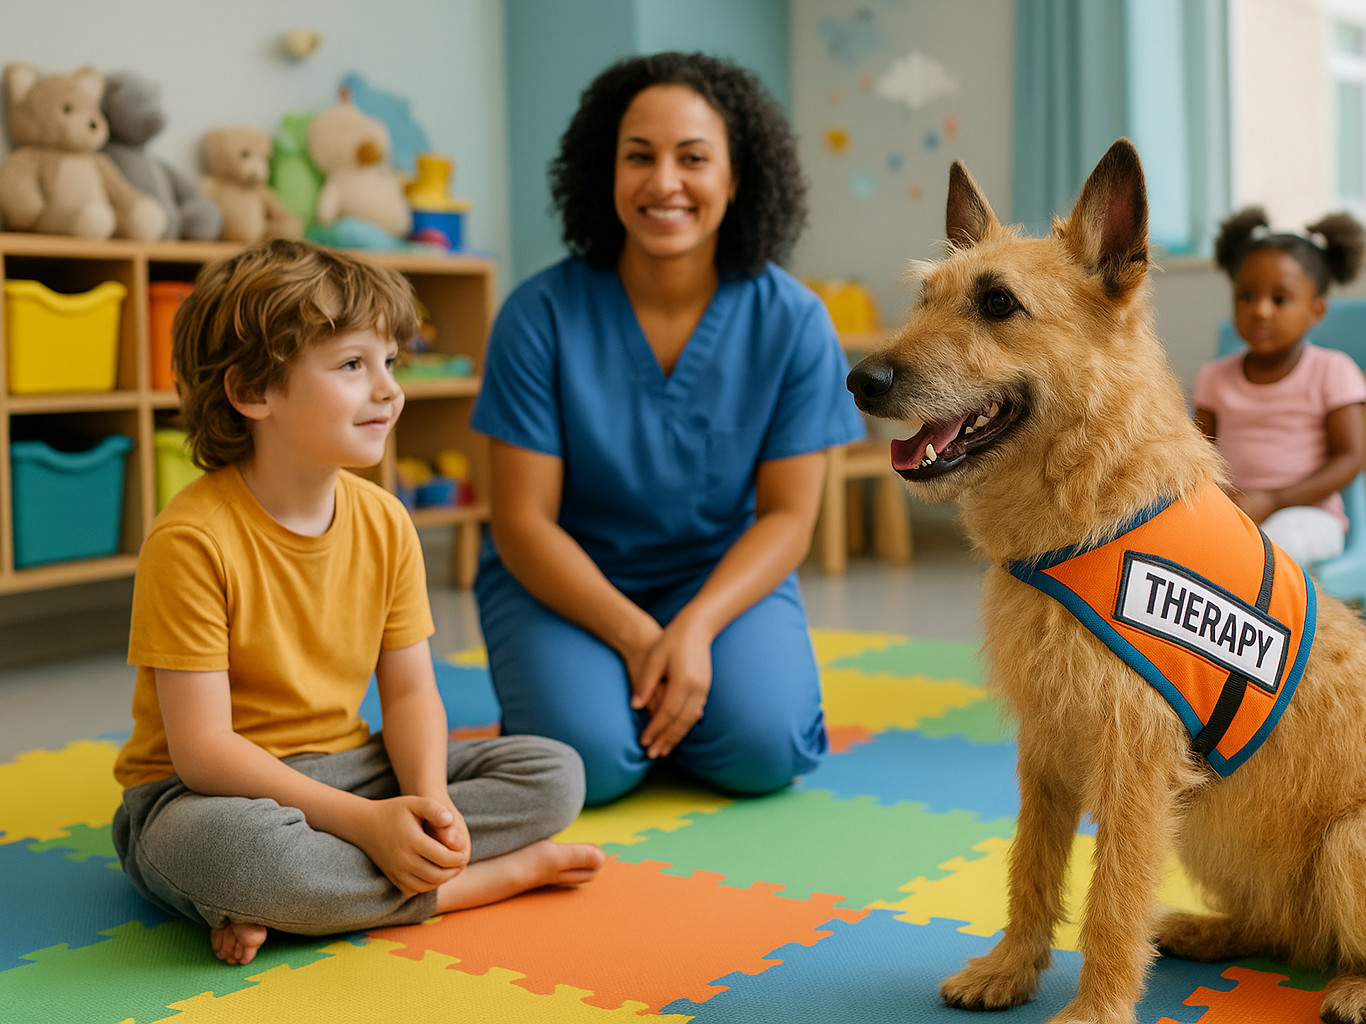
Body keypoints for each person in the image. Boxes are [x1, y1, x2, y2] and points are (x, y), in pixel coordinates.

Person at [111, 239, 603, 968]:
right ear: (253, 392)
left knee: (555, 771)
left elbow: (409, 692)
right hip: (203, 796)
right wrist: (368, 826)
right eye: (352, 366)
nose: (388, 390)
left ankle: (310, 901)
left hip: (348, 766)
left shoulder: (384, 520)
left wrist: (428, 805)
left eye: (390, 363)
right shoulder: (190, 539)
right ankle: (476, 883)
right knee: (241, 860)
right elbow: (204, 750)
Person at [472, 52, 866, 806]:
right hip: (564, 581)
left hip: (717, 580)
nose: (664, 183)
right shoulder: (538, 315)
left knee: (765, 751)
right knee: (587, 765)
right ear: (604, 171)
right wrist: (636, 637)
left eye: (693, 158)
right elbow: (522, 523)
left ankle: (674, 707)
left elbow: (788, 517)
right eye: (638, 157)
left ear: (736, 177)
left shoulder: (792, 320)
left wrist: (694, 628)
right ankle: (635, 707)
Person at [1193, 206, 1366, 570]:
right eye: (1246, 296)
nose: (1260, 311)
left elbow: (1350, 459)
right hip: (1233, 511)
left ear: (1316, 310)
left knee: (1266, 551)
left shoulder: (1332, 372)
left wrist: (1274, 499)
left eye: (1280, 299)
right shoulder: (1213, 378)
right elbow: (1198, 458)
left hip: (1309, 515)